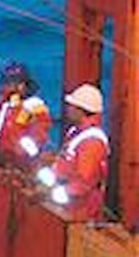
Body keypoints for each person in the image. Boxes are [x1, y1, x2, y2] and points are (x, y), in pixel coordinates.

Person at [36, 83, 109, 219]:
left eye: (72, 106)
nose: (68, 109)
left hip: (79, 211)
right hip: (66, 204)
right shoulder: (76, 132)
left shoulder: (92, 143)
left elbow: (83, 183)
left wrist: (53, 193)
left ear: (82, 110)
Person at [0, 61, 51, 168]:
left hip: (23, 160)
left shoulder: (34, 105)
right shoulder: (5, 103)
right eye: (5, 83)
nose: (4, 87)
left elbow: (40, 132)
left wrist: (23, 152)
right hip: (3, 157)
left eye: (9, 83)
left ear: (22, 85)